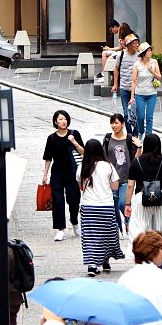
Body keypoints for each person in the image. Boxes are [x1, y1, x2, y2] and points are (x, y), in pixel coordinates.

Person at [79, 138, 125, 276]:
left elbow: (80, 186)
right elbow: (115, 186)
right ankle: (105, 261)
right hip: (105, 206)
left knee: (90, 236)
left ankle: (92, 265)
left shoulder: (82, 166)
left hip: (88, 207)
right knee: (107, 234)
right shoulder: (108, 166)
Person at [42, 110, 86, 241]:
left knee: (74, 199)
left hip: (72, 173)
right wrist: (45, 174)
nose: (63, 121)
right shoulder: (51, 138)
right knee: (58, 201)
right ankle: (60, 229)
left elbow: (83, 152)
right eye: (60, 119)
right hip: (57, 174)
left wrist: (74, 142)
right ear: (55, 121)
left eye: (65, 118)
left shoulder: (74, 134)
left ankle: (74, 221)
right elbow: (48, 157)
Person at [125, 133, 162, 237]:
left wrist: (127, 204)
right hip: (161, 198)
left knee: (141, 230)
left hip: (141, 197)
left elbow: (130, 186)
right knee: (161, 232)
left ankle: (144, 250)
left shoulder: (136, 163)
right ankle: (160, 251)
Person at [104, 113, 138, 235]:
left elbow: (136, 159)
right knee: (114, 204)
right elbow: (104, 157)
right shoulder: (108, 138)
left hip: (126, 177)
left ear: (123, 124)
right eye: (112, 123)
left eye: (116, 123)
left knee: (123, 202)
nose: (114, 125)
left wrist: (139, 147)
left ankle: (128, 221)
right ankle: (117, 228)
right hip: (111, 178)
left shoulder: (129, 139)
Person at [129, 42, 161, 137]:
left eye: (151, 50)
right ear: (143, 53)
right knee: (141, 116)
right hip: (140, 94)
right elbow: (134, 81)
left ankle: (149, 136)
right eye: (148, 51)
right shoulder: (137, 65)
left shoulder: (154, 62)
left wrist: (152, 71)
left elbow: (159, 77)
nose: (150, 52)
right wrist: (132, 97)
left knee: (149, 117)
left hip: (152, 93)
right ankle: (141, 132)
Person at [113, 34, 141, 129]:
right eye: (134, 43)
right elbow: (116, 69)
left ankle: (136, 133)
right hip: (124, 87)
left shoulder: (139, 56)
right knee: (126, 111)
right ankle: (129, 133)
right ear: (128, 45)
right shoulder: (121, 55)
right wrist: (115, 84)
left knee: (136, 111)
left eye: (137, 43)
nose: (137, 45)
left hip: (136, 88)